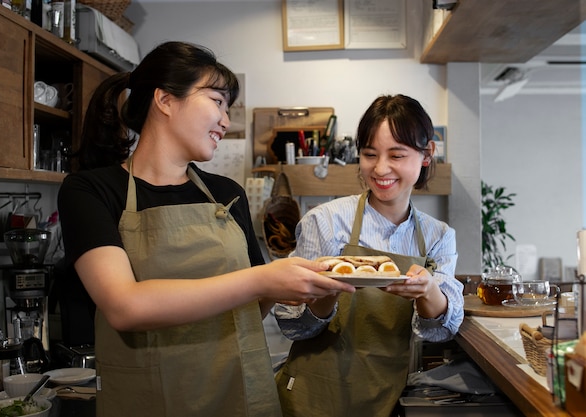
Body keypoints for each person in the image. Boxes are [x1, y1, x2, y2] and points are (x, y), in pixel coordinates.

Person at [57, 41, 355, 417]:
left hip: (241, 392)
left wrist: (296, 285)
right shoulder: (91, 191)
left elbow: (250, 308)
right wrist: (262, 280)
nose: (226, 121)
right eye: (217, 101)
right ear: (165, 100)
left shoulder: (226, 194)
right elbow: (124, 306)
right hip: (150, 398)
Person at [274, 94, 465, 417]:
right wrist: (328, 291)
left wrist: (428, 290)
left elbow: (440, 331)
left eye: (396, 155)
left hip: (384, 396)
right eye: (369, 154)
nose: (380, 169)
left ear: (426, 154)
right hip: (314, 394)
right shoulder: (326, 221)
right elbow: (292, 327)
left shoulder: (438, 237)